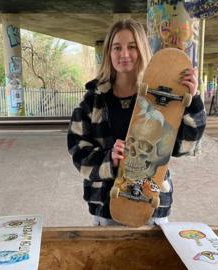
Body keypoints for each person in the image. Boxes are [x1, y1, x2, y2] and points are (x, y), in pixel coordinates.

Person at [67, 19, 206, 226]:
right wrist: (109, 159)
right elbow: (78, 149)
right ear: (109, 53)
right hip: (106, 205)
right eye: (117, 48)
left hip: (151, 205)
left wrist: (192, 100)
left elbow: (184, 147)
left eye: (132, 47)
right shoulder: (93, 100)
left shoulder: (161, 97)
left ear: (141, 50)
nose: (124, 54)